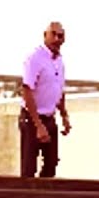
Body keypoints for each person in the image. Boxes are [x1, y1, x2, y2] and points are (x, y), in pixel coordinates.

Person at [19, 21, 71, 178]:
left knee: (51, 164)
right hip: (32, 118)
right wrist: (38, 125)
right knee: (29, 168)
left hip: (49, 118)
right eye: (53, 34)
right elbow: (27, 90)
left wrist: (64, 116)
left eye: (60, 36)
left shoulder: (59, 62)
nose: (56, 39)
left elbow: (59, 90)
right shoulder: (35, 58)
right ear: (45, 36)